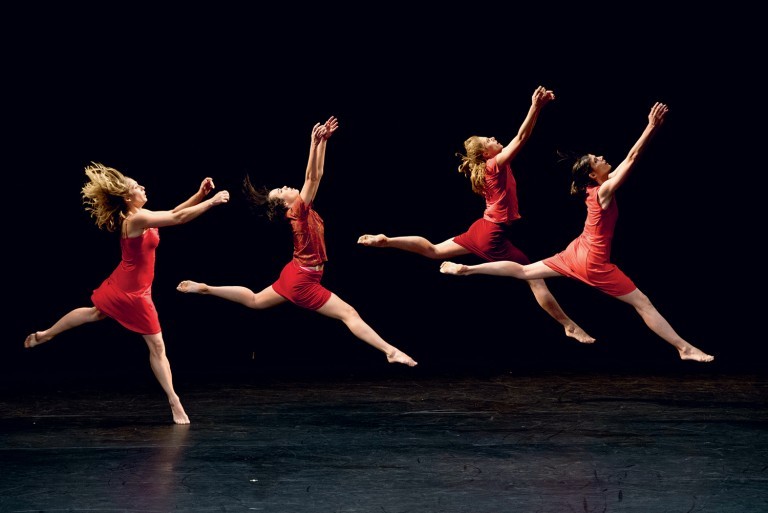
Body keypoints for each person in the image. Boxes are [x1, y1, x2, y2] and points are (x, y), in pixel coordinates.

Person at [440, 102, 714, 363]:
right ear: (593, 174)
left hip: (575, 252)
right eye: (597, 159)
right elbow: (632, 157)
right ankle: (684, 348)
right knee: (642, 303)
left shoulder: (597, 188)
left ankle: (468, 270)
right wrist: (651, 126)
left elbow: (622, 166)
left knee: (524, 272)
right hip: (593, 261)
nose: (603, 158)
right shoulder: (604, 191)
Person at [358, 85, 595, 344]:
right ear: (486, 153)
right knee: (534, 277)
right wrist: (535, 107)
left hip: (482, 229)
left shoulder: (484, 170)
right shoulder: (494, 165)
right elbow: (522, 137)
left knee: (434, 251)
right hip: (491, 235)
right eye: (489, 141)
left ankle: (387, 240)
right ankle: (567, 325)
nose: (494, 138)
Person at [176, 116, 418, 367]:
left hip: (294, 272)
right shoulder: (296, 212)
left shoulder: (301, 208)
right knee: (348, 314)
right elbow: (312, 179)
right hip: (303, 281)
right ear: (284, 204)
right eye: (281, 192)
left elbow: (318, 174)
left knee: (256, 301)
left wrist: (323, 141)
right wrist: (313, 144)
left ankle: (206, 288)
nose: (284, 187)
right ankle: (390, 351)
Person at [24, 163, 231, 424]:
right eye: (137, 187)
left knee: (95, 313)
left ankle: (46, 334)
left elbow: (174, 212)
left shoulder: (138, 215)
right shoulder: (135, 219)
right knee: (157, 346)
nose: (143, 188)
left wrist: (199, 195)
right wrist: (212, 202)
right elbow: (178, 219)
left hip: (124, 281)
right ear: (127, 197)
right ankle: (174, 401)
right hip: (133, 293)